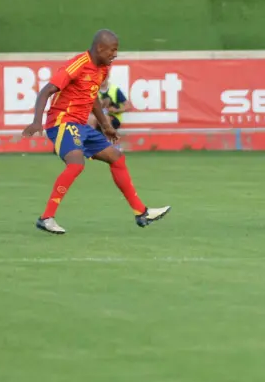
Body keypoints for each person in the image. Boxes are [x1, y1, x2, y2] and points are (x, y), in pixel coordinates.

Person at [21, 30, 170, 234]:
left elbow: (92, 98)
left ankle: (141, 212)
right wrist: (37, 121)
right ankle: (46, 217)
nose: (115, 54)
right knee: (76, 164)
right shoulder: (78, 64)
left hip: (81, 126)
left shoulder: (102, 67)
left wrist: (106, 125)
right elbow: (46, 90)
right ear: (100, 48)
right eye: (112, 50)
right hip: (63, 122)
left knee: (116, 158)